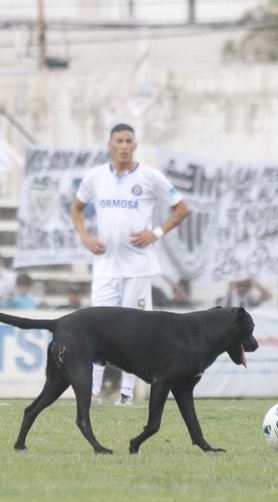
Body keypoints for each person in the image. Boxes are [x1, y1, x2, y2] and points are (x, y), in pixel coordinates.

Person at [71, 123, 189, 406]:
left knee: (135, 333)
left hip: (138, 268)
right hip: (105, 266)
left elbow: (181, 209)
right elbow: (76, 207)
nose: (124, 146)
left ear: (135, 145)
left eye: (128, 141)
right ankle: (94, 393)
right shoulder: (95, 177)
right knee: (97, 330)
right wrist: (85, 237)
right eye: (119, 141)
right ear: (110, 144)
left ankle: (126, 395)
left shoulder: (150, 176)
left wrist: (155, 233)